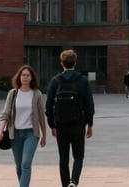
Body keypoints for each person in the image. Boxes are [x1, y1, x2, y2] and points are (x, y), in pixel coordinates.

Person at [46, 49, 95, 187]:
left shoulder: (55, 81)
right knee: (78, 156)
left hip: (61, 126)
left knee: (63, 158)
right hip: (78, 124)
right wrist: (89, 124)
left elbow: (48, 105)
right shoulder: (82, 81)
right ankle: (74, 181)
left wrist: (52, 125)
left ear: (62, 63)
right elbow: (89, 104)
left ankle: (65, 184)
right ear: (75, 62)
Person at [0, 64, 47, 187]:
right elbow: (6, 113)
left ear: (31, 78)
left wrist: (44, 135)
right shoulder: (13, 93)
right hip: (15, 134)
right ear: (19, 77)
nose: (25, 77)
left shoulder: (37, 94)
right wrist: (0, 130)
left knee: (26, 163)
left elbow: (41, 116)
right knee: (19, 166)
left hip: (31, 133)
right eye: (23, 75)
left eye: (28, 75)